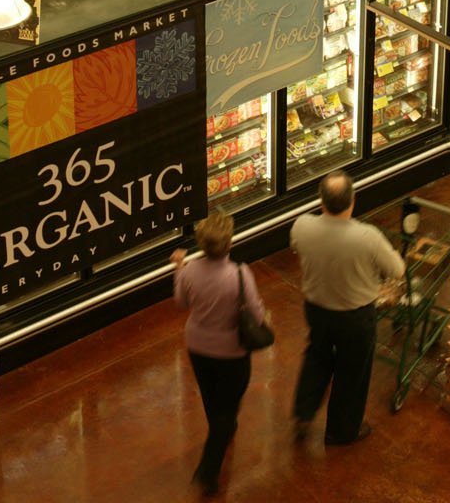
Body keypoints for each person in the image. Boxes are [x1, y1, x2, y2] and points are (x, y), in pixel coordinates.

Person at [290, 172, 404, 447]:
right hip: (355, 317)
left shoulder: (302, 226)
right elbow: (397, 270)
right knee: (352, 371)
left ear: (321, 201)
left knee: (317, 356)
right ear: (352, 201)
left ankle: (303, 414)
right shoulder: (367, 237)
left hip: (317, 310)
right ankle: (341, 431)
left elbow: (296, 248)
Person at [171, 211, 266, 495]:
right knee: (228, 408)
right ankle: (209, 471)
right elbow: (256, 314)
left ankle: (221, 427)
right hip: (231, 351)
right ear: (229, 242)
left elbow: (181, 302)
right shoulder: (240, 274)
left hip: (198, 347)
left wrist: (179, 268)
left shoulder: (189, 271)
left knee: (211, 397)